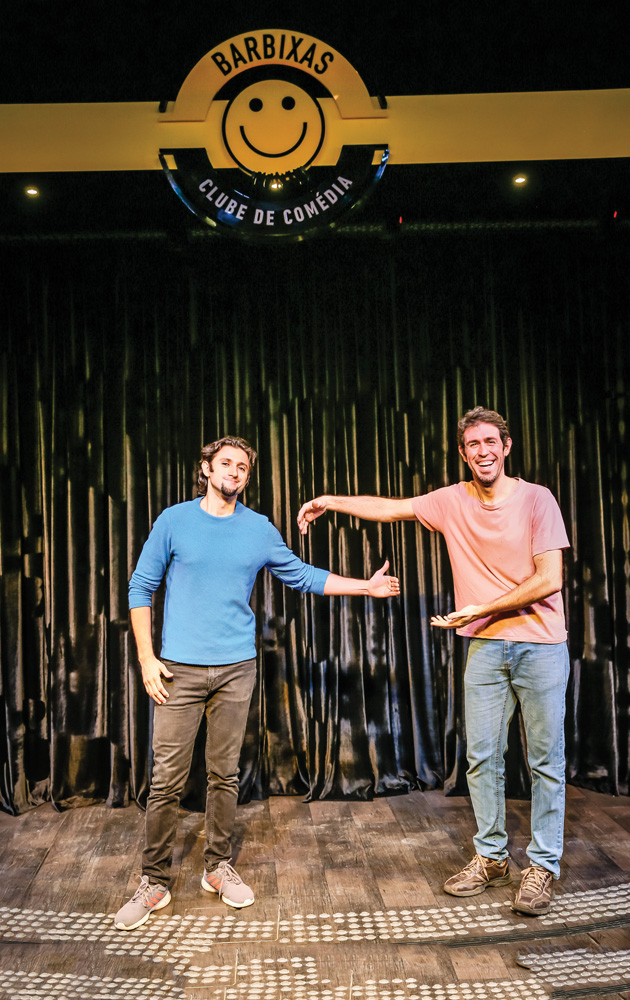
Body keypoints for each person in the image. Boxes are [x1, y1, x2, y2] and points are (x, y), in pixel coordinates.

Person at [114, 435, 399, 930]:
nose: (234, 472)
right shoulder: (174, 521)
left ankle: (217, 868)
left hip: (236, 668)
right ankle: (154, 882)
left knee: (224, 775)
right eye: (225, 463)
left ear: (247, 476)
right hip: (178, 669)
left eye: (242, 467)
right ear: (206, 468)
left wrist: (366, 586)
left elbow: (302, 575)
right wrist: (146, 657)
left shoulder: (259, 529)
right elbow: (141, 586)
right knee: (167, 781)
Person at [297, 406, 570, 917]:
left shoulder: (537, 500)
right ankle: (491, 857)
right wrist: (329, 501)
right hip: (486, 648)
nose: (483, 452)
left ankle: (543, 865)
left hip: (540, 645)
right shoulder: (451, 501)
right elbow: (391, 508)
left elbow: (548, 578)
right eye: (473, 445)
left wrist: (482, 608)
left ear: (506, 447)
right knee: (481, 758)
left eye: (491, 442)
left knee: (544, 761)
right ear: (463, 453)